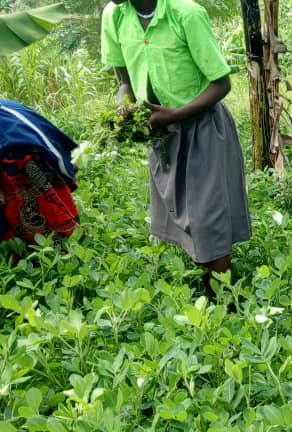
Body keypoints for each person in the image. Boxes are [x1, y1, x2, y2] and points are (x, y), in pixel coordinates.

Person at [101, 0, 251, 294]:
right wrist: (124, 109)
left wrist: (173, 115)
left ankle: (221, 303)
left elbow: (221, 84)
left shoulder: (186, 14)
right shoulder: (114, 16)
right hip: (160, 132)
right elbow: (124, 82)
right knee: (183, 213)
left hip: (202, 126)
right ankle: (205, 287)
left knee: (209, 217)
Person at [0, 100, 80, 252]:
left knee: (42, 217)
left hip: (20, 156)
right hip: (25, 147)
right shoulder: (13, 109)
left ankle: (51, 248)